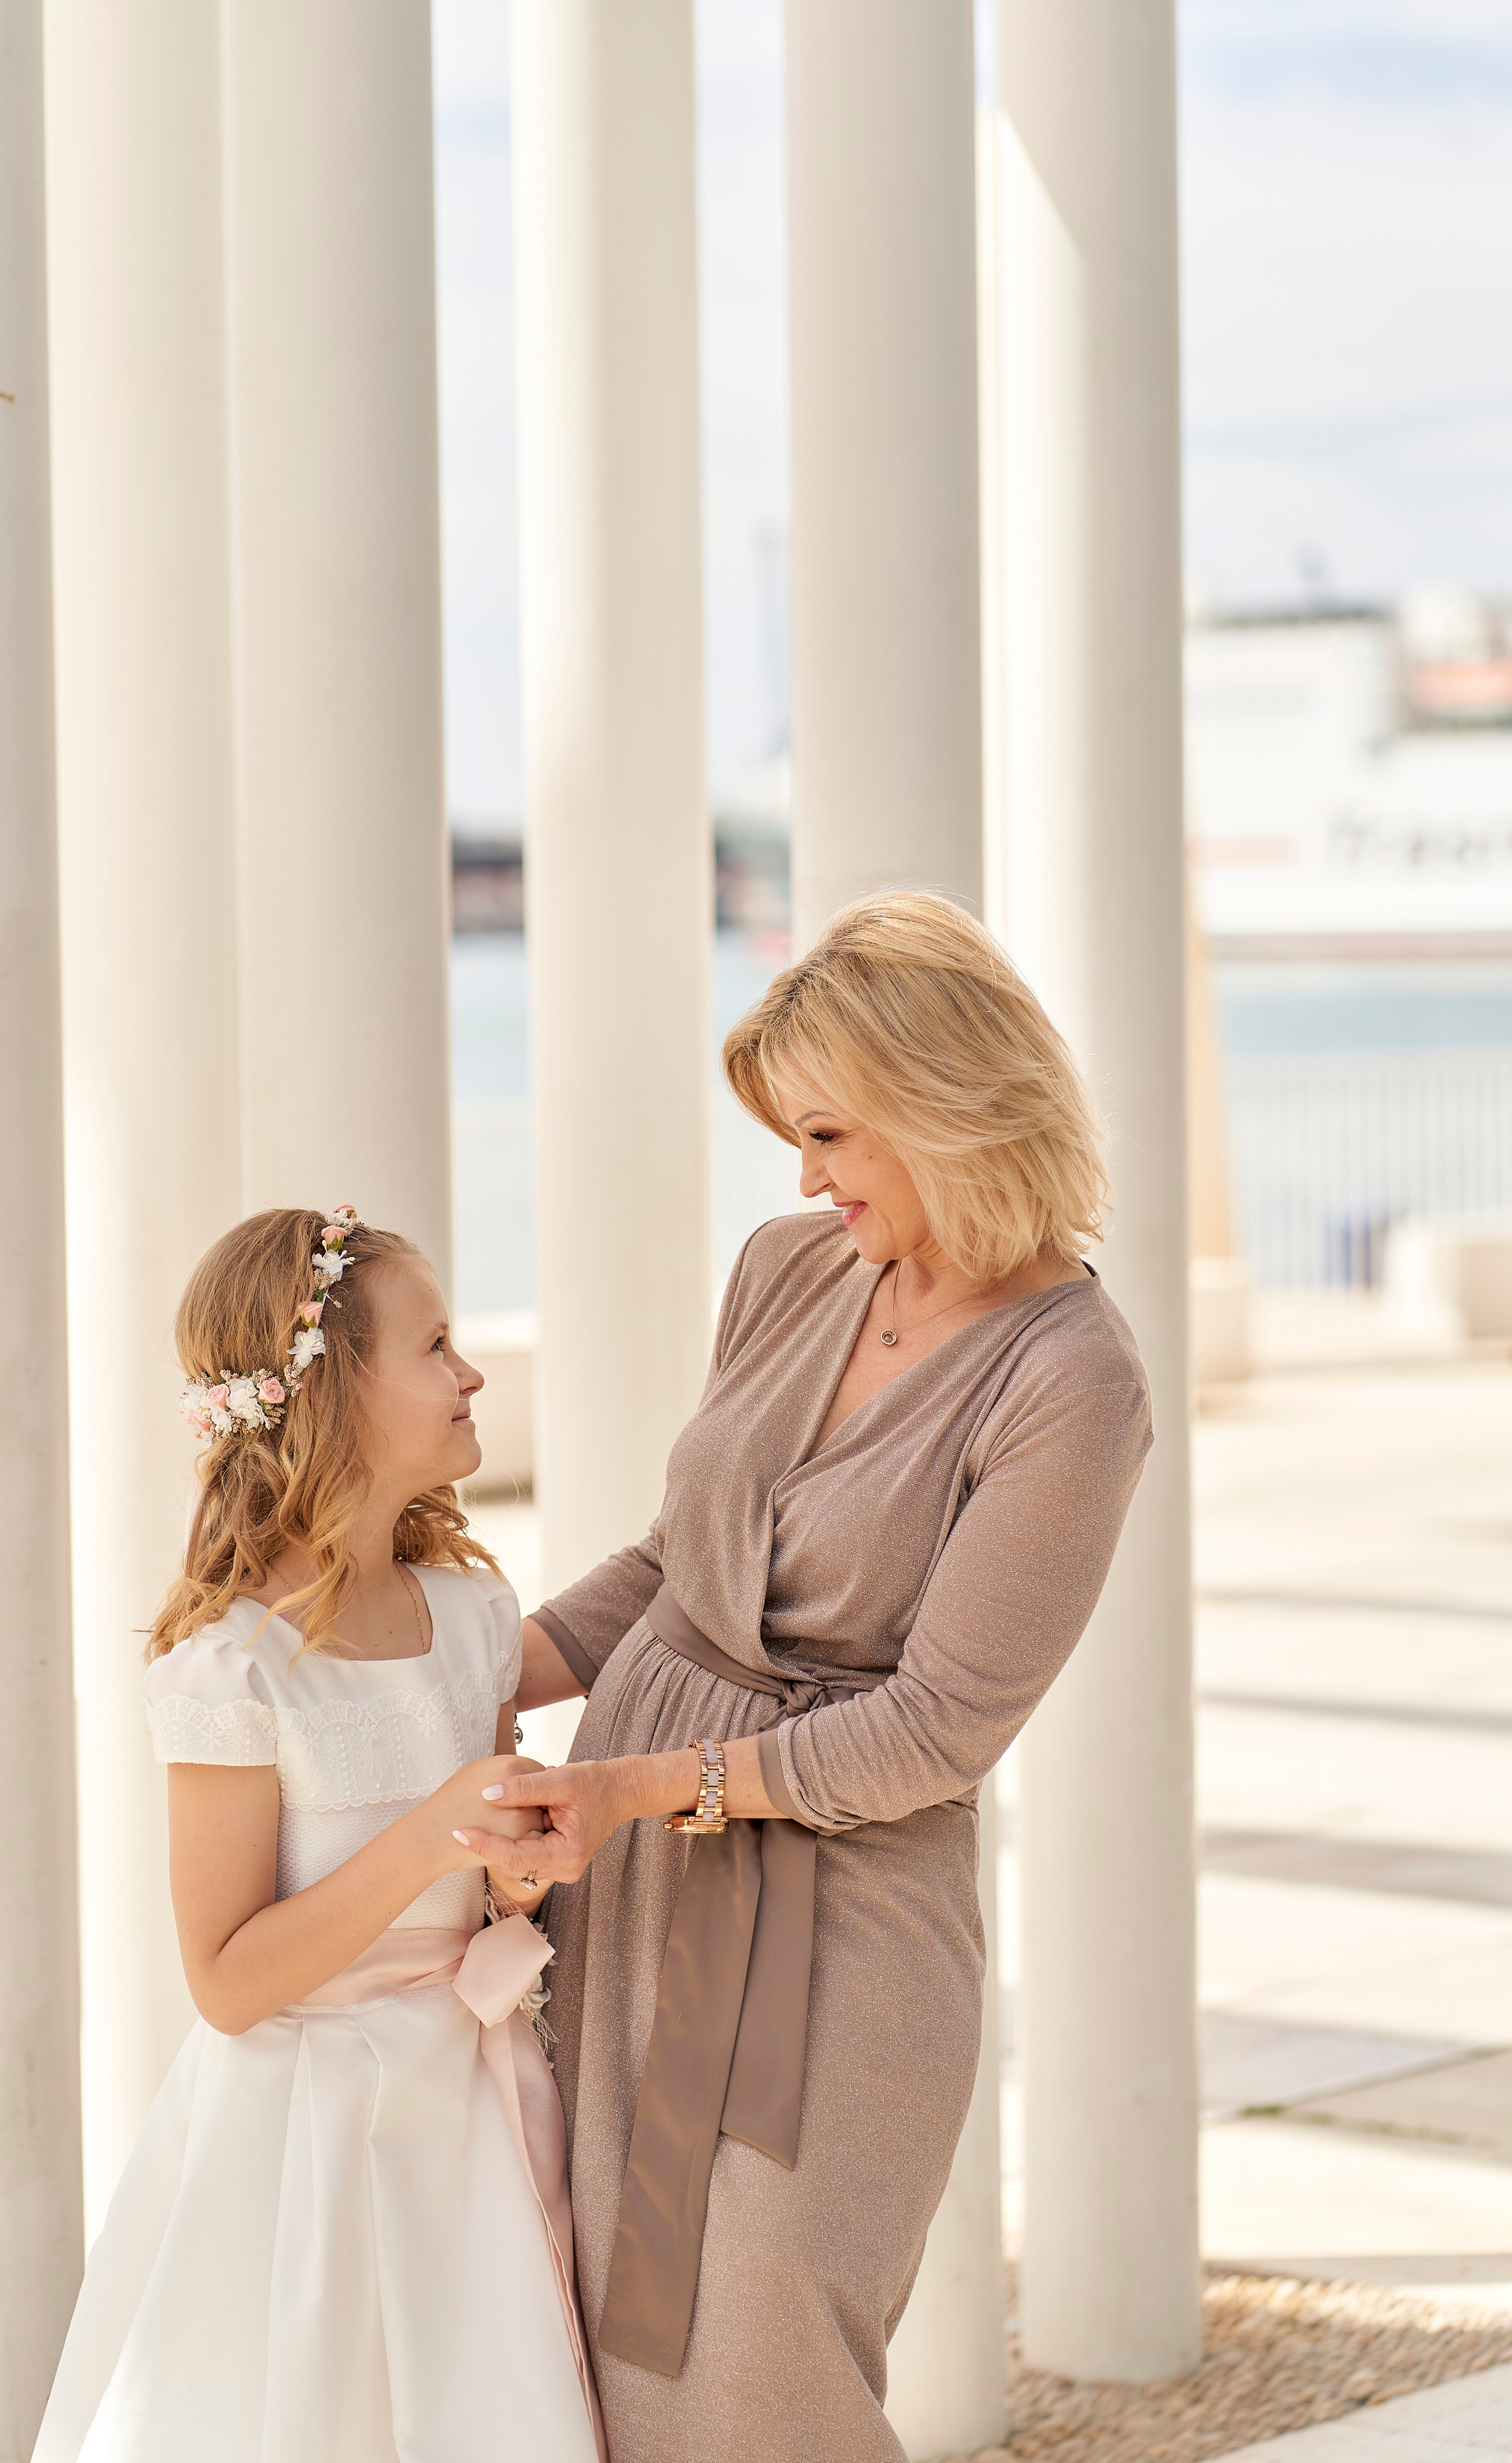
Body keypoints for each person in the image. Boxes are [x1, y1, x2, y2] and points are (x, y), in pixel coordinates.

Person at [461, 892, 1155, 2463]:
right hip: (623, 1886)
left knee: (763, 2358)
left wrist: (631, 1785)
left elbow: (933, 1732)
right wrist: (468, 1681)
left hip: (834, 1930)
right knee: (589, 2329)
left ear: (947, 1111)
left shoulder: (1069, 1380)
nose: (803, 1177)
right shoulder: (788, 1269)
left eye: (831, 1135)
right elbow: (673, 1563)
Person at [34, 1206, 604, 2463]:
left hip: (465, 2113)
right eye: (437, 1345)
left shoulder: (473, 1614)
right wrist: (434, 1836)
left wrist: (516, 1882)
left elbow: (495, 1901)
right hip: (295, 2141)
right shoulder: (229, 1666)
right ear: (331, 1393)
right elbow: (227, 1984)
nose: (471, 1375)